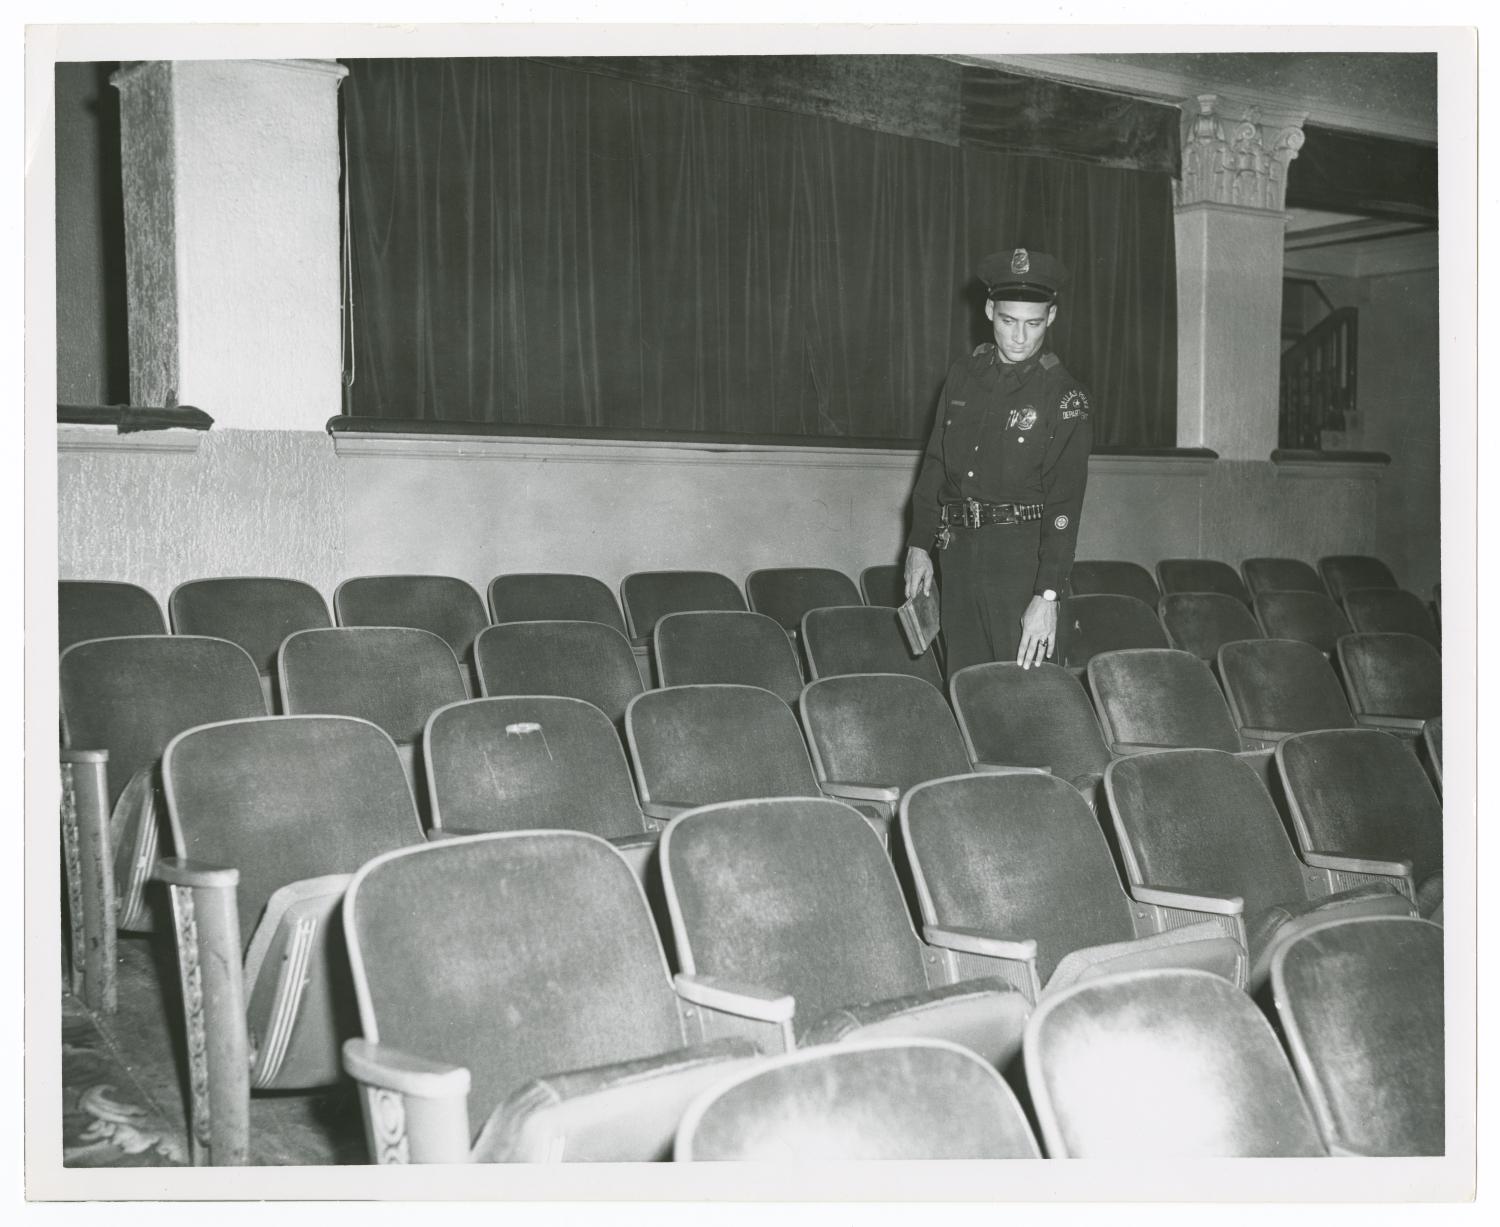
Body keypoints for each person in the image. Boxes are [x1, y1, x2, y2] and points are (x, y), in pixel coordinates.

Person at [903, 247, 1092, 674]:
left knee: (1023, 692)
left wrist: (1047, 596)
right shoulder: (962, 376)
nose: (1019, 337)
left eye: (1033, 323)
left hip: (1021, 564)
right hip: (959, 556)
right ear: (990, 311)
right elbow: (935, 464)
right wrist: (918, 544)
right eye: (1008, 321)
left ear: (1051, 317)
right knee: (966, 683)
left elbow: (1065, 506)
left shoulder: (1065, 396)